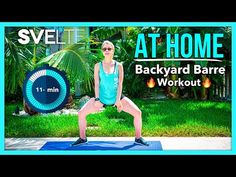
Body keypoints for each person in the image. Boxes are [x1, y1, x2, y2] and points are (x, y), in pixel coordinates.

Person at [71, 40, 149, 146]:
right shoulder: (98, 66)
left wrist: (118, 100)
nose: (107, 50)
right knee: (81, 114)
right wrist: (97, 99)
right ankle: (82, 138)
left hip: (117, 97)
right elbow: (97, 84)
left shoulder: (119, 65)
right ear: (102, 51)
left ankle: (138, 138)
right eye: (104, 49)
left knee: (138, 113)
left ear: (113, 51)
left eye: (109, 49)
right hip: (101, 97)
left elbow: (120, 83)